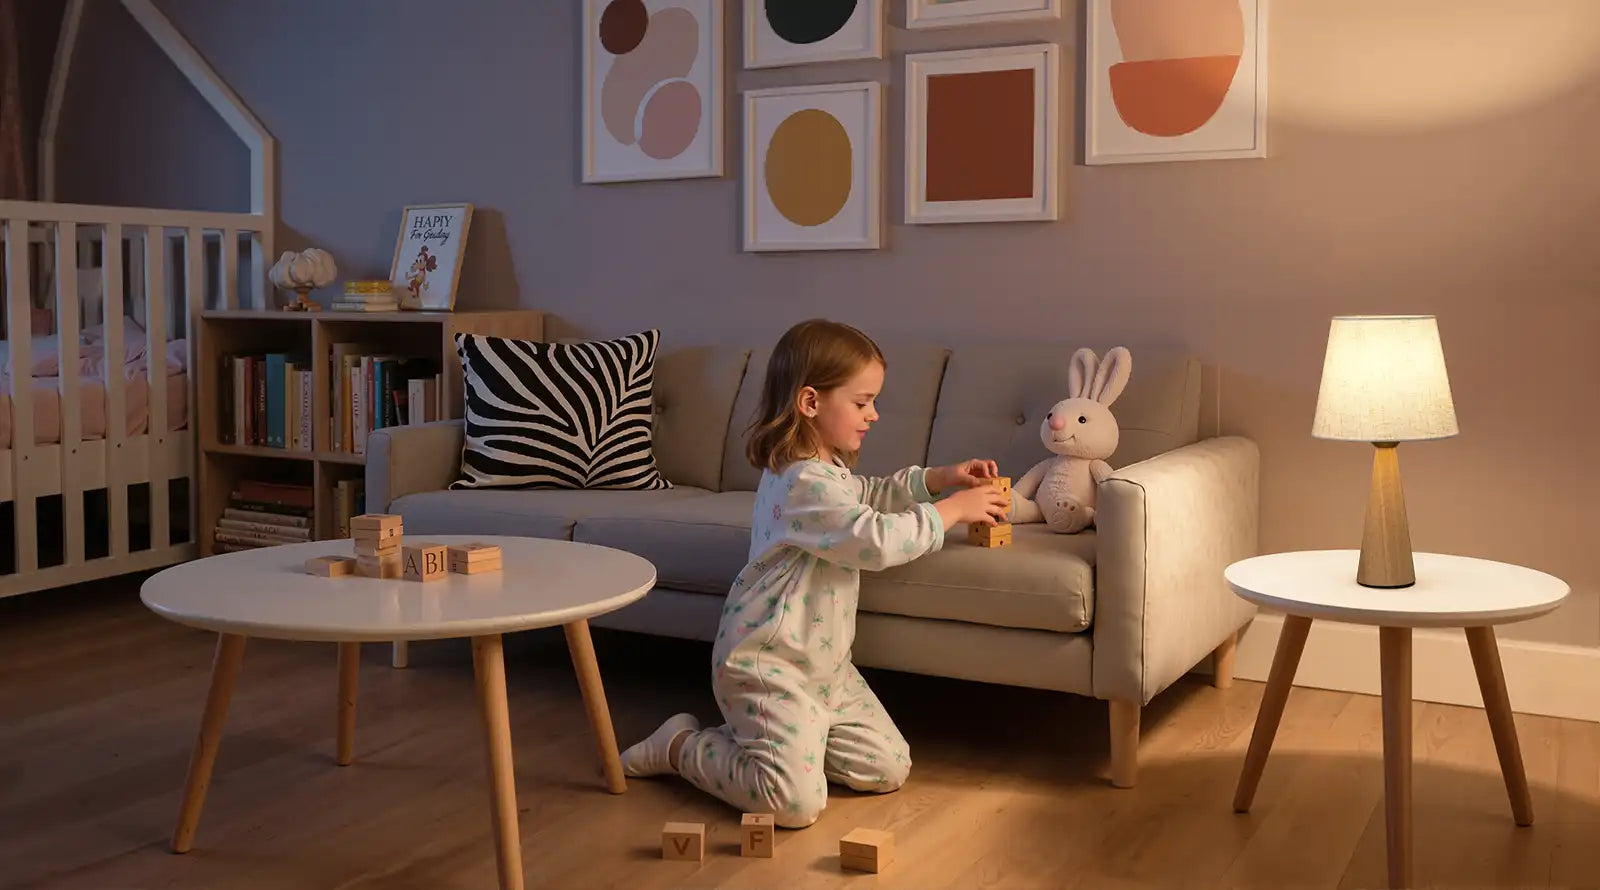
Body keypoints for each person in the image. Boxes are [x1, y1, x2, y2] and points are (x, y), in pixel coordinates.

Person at [619, 319, 1011, 828]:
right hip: (768, 666)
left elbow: (864, 496)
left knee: (887, 767)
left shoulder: (824, 468)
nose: (874, 414)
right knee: (796, 807)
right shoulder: (801, 481)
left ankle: (785, 746)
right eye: (862, 401)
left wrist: (936, 480)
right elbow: (875, 540)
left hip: (825, 668)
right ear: (810, 402)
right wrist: (954, 509)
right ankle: (682, 746)